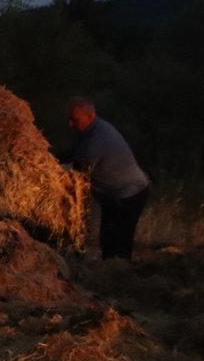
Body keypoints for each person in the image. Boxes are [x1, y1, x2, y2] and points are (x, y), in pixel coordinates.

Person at [61, 97, 150, 261]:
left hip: (129, 194)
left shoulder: (98, 137)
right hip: (117, 195)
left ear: (90, 117)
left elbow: (79, 168)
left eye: (75, 120)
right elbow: (70, 154)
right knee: (108, 237)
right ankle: (113, 270)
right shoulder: (89, 132)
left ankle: (119, 275)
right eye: (70, 119)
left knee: (118, 240)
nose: (70, 124)